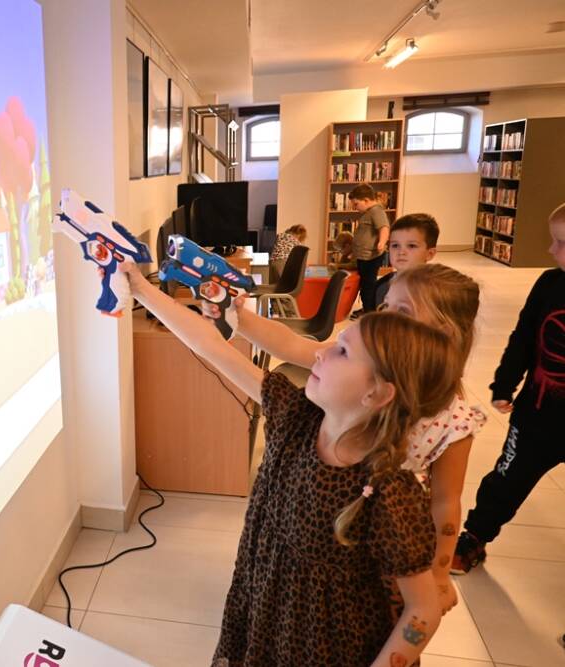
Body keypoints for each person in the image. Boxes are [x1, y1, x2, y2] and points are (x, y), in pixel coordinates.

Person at [120, 262, 460, 667]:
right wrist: (140, 288)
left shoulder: (388, 491)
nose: (320, 352)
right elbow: (209, 345)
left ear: (377, 393)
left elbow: (423, 609)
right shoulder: (294, 416)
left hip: (329, 649)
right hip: (263, 610)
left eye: (341, 351)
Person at [209, 263, 484, 615]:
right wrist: (239, 316)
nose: (385, 317)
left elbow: (446, 503)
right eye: (386, 306)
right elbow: (292, 345)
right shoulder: (363, 359)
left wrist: (440, 575)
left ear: (442, 333)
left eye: (402, 311)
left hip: (380, 542)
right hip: (320, 514)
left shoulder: (452, 420)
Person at [453, 203, 565, 574]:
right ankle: (474, 537)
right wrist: (504, 383)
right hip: (537, 417)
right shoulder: (550, 284)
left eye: (561, 243)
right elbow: (524, 337)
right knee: (507, 479)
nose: (551, 250)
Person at [372, 213, 440, 310]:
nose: (401, 252)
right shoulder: (381, 286)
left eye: (411, 246)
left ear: (430, 254)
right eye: (395, 245)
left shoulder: (437, 291)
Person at [349, 184, 390, 319]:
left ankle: (369, 311)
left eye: (356, 204)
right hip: (363, 256)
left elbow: (384, 227)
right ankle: (367, 308)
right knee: (364, 284)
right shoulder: (367, 213)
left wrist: (382, 242)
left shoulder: (376, 211)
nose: (355, 207)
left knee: (368, 285)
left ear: (366, 200)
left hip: (371, 257)